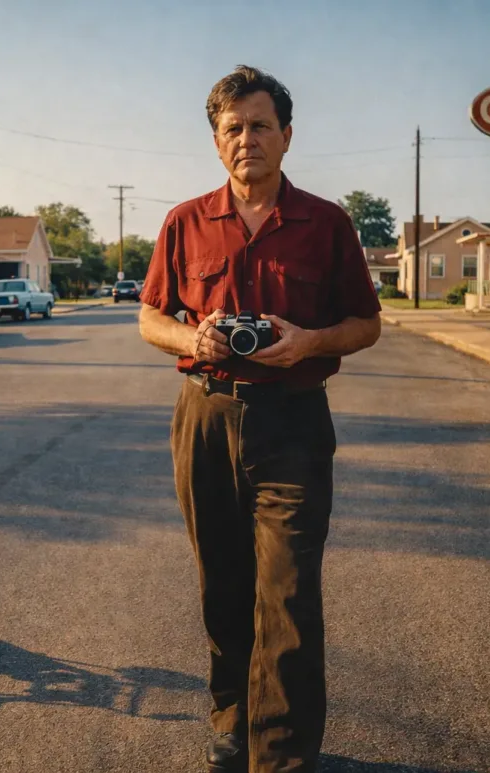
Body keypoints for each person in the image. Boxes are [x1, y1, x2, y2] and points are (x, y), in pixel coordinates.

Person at [137, 66, 382, 773]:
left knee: (289, 593)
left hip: (294, 422)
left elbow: (365, 324)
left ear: (288, 136)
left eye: (261, 126)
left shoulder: (327, 223)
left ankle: (281, 755)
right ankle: (232, 722)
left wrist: (309, 341)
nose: (248, 139)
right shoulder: (183, 221)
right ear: (217, 143)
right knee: (222, 584)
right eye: (234, 128)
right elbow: (150, 315)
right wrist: (193, 338)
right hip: (206, 418)